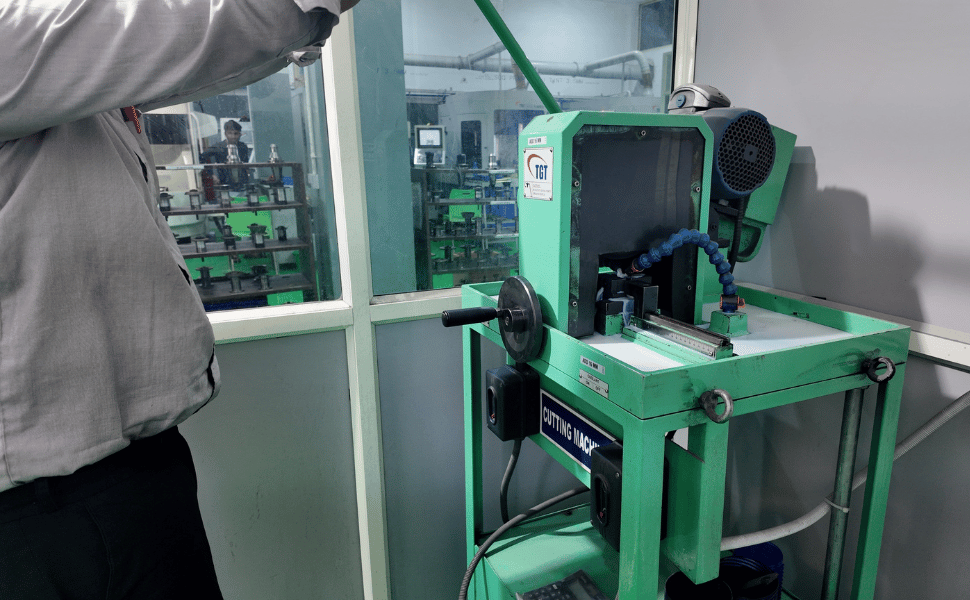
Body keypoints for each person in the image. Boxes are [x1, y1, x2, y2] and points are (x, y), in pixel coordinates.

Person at [0, 1, 359, 598]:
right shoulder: (15, 44)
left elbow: (185, 53)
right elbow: (176, 28)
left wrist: (290, 32)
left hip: (129, 474)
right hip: (44, 515)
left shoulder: (67, 88)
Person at [207, 119, 252, 189]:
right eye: (230, 133)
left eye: (236, 133)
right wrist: (212, 175)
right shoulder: (218, 147)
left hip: (242, 183)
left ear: (240, 134)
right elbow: (202, 159)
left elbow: (246, 164)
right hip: (224, 182)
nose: (233, 136)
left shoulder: (243, 147)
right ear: (225, 134)